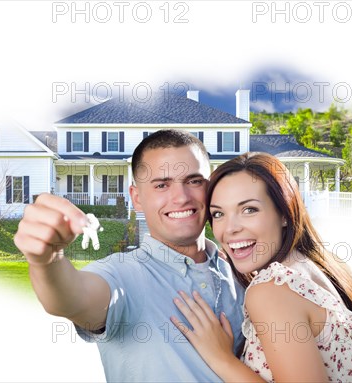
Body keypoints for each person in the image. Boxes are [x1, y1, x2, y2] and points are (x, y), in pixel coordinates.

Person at [14, 130, 246, 382]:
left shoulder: (238, 270)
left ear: (210, 188)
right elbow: (73, 299)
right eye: (161, 185)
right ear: (136, 198)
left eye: (194, 181)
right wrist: (47, 260)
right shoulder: (122, 273)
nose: (181, 197)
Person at [170, 152, 352, 382]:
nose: (229, 229)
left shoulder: (272, 290)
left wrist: (222, 359)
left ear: (284, 213)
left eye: (249, 209)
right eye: (218, 214)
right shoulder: (322, 268)